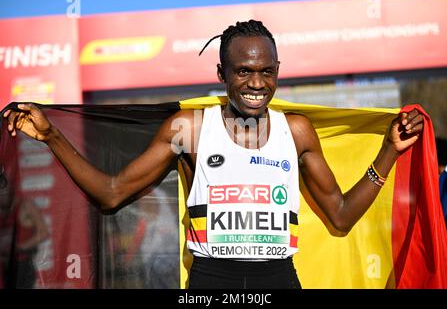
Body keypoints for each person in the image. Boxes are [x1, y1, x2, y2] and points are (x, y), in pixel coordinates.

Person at [2, 20, 424, 289]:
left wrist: (388, 152)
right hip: (210, 287)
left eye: (266, 71)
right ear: (222, 73)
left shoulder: (296, 131)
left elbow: (341, 218)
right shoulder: (190, 129)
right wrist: (52, 136)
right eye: (243, 71)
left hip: (279, 281)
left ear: (277, 70)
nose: (256, 83)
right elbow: (112, 194)